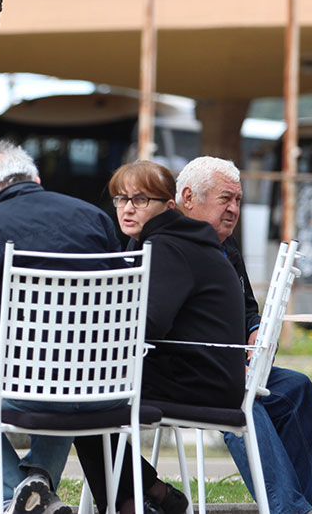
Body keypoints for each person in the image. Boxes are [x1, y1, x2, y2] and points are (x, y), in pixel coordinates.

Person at [0, 140, 124, 514]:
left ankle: (15, 495)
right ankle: (37, 487)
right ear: (35, 178)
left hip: (28, 387)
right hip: (105, 386)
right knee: (63, 376)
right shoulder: (95, 218)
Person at [177, 156, 312, 514]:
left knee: (296, 388)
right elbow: (172, 322)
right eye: (226, 199)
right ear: (189, 197)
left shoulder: (226, 245)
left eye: (238, 200)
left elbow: (246, 308)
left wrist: (255, 331)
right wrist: (224, 363)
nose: (234, 208)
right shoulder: (171, 247)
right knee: (243, 403)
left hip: (229, 366)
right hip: (189, 371)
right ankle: (289, 508)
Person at [74, 160, 244, 514]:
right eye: (120, 199)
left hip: (200, 380)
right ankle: (149, 494)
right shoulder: (166, 240)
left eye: (140, 199)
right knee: (84, 389)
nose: (127, 208)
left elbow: (148, 323)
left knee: (82, 394)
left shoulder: (168, 245)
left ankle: (135, 500)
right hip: (200, 370)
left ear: (169, 206)